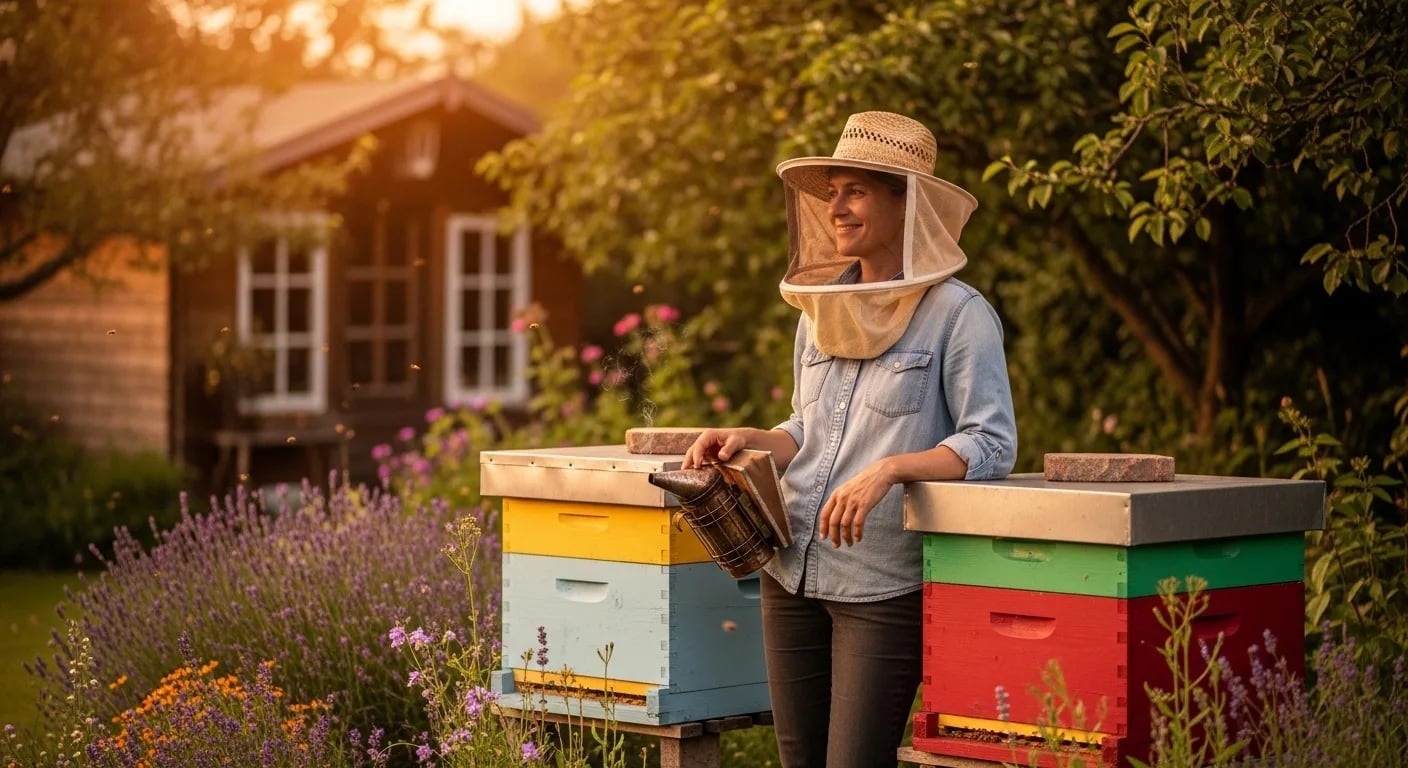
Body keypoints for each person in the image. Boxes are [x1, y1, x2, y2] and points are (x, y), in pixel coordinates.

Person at [682, 111, 1018, 767]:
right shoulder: (819, 312)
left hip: (880, 584)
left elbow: (991, 443)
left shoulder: (959, 315)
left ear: (907, 202)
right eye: (831, 192)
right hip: (793, 571)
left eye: (856, 190)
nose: (836, 207)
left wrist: (892, 468)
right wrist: (744, 438)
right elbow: (806, 427)